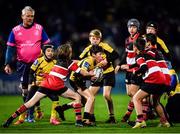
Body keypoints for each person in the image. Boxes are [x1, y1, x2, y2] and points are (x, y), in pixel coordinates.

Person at [2, 43, 95, 128]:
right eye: (70, 50)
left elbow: (73, 62)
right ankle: (78, 121)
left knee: (30, 103)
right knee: (77, 97)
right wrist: (92, 74)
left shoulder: (58, 60)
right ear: (68, 52)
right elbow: (83, 73)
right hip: (58, 86)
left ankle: (9, 120)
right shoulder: (69, 63)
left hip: (46, 84)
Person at [4, 6, 50, 123]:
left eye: (32, 16)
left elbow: (47, 45)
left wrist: (48, 60)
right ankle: (35, 109)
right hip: (22, 64)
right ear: (22, 16)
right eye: (28, 16)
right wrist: (7, 64)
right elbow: (10, 48)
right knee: (25, 90)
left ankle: (30, 115)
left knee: (33, 89)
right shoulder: (15, 31)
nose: (30, 18)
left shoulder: (39, 28)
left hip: (37, 64)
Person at [121, 37, 170, 128]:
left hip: (153, 80)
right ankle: (164, 122)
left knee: (136, 98)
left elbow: (143, 67)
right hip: (162, 79)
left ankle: (140, 121)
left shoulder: (139, 56)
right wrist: (130, 66)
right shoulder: (148, 54)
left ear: (135, 47)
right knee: (155, 103)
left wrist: (135, 72)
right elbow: (142, 63)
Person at [56, 45, 104, 126]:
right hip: (76, 81)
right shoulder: (89, 61)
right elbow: (82, 73)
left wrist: (89, 77)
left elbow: (79, 66)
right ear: (93, 54)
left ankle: (62, 108)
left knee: (83, 102)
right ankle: (85, 120)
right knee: (91, 97)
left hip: (78, 80)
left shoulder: (93, 61)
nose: (102, 56)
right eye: (99, 54)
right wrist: (90, 76)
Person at [79, 29, 119, 123]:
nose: (95, 40)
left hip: (108, 72)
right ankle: (91, 117)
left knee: (106, 95)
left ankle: (111, 117)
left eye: (97, 38)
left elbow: (116, 55)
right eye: (93, 38)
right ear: (89, 39)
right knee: (90, 95)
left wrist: (107, 60)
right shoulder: (87, 49)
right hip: (96, 74)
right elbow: (80, 60)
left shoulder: (104, 46)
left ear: (100, 39)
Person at [21, 44, 60, 125]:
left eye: (52, 51)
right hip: (37, 85)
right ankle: (28, 117)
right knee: (29, 100)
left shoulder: (55, 62)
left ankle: (53, 118)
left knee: (55, 98)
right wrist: (32, 82)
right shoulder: (38, 61)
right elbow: (31, 72)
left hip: (48, 86)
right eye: (48, 51)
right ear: (44, 52)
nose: (50, 53)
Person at [115, 18, 142, 122]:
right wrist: (119, 64)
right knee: (130, 93)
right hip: (128, 70)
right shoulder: (127, 40)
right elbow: (125, 54)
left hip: (136, 69)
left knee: (134, 94)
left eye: (134, 27)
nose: (132, 29)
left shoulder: (140, 39)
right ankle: (144, 105)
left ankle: (139, 116)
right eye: (130, 26)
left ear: (137, 28)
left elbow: (142, 55)